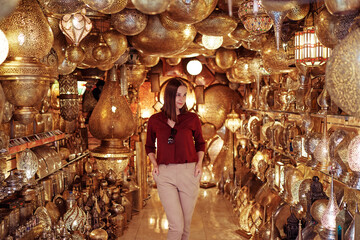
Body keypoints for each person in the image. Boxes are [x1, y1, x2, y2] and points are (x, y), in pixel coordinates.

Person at [145, 77, 205, 240]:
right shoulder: (155, 120)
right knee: (176, 226)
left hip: (189, 173)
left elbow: (200, 143)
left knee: (185, 228)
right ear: (169, 96)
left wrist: (199, 164)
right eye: (178, 95)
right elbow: (149, 146)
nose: (182, 99)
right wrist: (154, 163)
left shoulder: (192, 118)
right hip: (165, 174)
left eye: (184, 95)